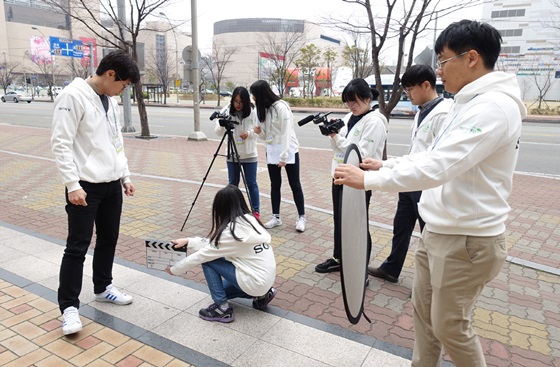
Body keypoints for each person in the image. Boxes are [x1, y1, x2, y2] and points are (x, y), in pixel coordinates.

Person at [334, 20, 526, 367]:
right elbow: (433, 155)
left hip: (468, 239)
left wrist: (370, 182)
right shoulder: (465, 103)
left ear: (471, 58)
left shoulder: (493, 107)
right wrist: (385, 167)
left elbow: (441, 167)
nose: (439, 70)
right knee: (424, 317)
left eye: (443, 60)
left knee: (450, 325)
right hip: (439, 231)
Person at [51, 50, 141, 336]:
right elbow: (61, 143)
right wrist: (72, 184)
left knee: (108, 239)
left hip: (112, 184)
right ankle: (69, 308)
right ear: (110, 74)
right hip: (85, 186)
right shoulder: (73, 96)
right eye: (124, 84)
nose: (123, 90)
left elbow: (117, 141)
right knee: (77, 246)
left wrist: (124, 175)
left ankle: (103, 287)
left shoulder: (110, 100)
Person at [367, 65, 452, 283]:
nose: (408, 94)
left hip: (425, 183)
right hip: (410, 180)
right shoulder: (422, 110)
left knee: (428, 234)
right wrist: (388, 165)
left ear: (426, 85)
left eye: (410, 89)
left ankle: (430, 282)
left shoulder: (443, 114)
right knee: (401, 226)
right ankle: (391, 268)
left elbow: (435, 157)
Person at [165, 185, 277, 323]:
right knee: (222, 289)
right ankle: (263, 295)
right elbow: (216, 245)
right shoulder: (251, 221)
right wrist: (188, 241)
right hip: (265, 282)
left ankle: (222, 309)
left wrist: (175, 269)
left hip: (254, 281)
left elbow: (203, 255)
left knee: (209, 260)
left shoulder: (232, 232)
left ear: (222, 208)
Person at [315, 78, 388, 273]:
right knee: (340, 220)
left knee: (357, 224)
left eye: (354, 101)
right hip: (340, 174)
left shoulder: (375, 121)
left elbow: (361, 154)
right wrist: (333, 134)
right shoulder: (349, 117)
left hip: (359, 180)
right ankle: (338, 257)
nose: (350, 106)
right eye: (347, 102)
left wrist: (337, 137)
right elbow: (338, 147)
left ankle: (360, 270)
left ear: (367, 98)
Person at [250, 80, 306, 232]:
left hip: (289, 149)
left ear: (262, 95)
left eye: (254, 95)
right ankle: (276, 217)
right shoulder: (261, 110)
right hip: (272, 150)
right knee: (275, 184)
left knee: (295, 184)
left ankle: (301, 217)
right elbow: (266, 136)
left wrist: (283, 157)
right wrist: (259, 132)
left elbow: (286, 133)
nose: (253, 99)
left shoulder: (281, 107)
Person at [214, 86, 260, 219]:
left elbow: (259, 131)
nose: (238, 105)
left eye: (241, 102)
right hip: (232, 154)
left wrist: (250, 133)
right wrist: (223, 125)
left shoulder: (253, 112)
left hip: (250, 154)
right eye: (236, 101)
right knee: (233, 184)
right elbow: (217, 132)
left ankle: (255, 211)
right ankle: (233, 211)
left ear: (246, 101)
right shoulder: (227, 111)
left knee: (251, 183)